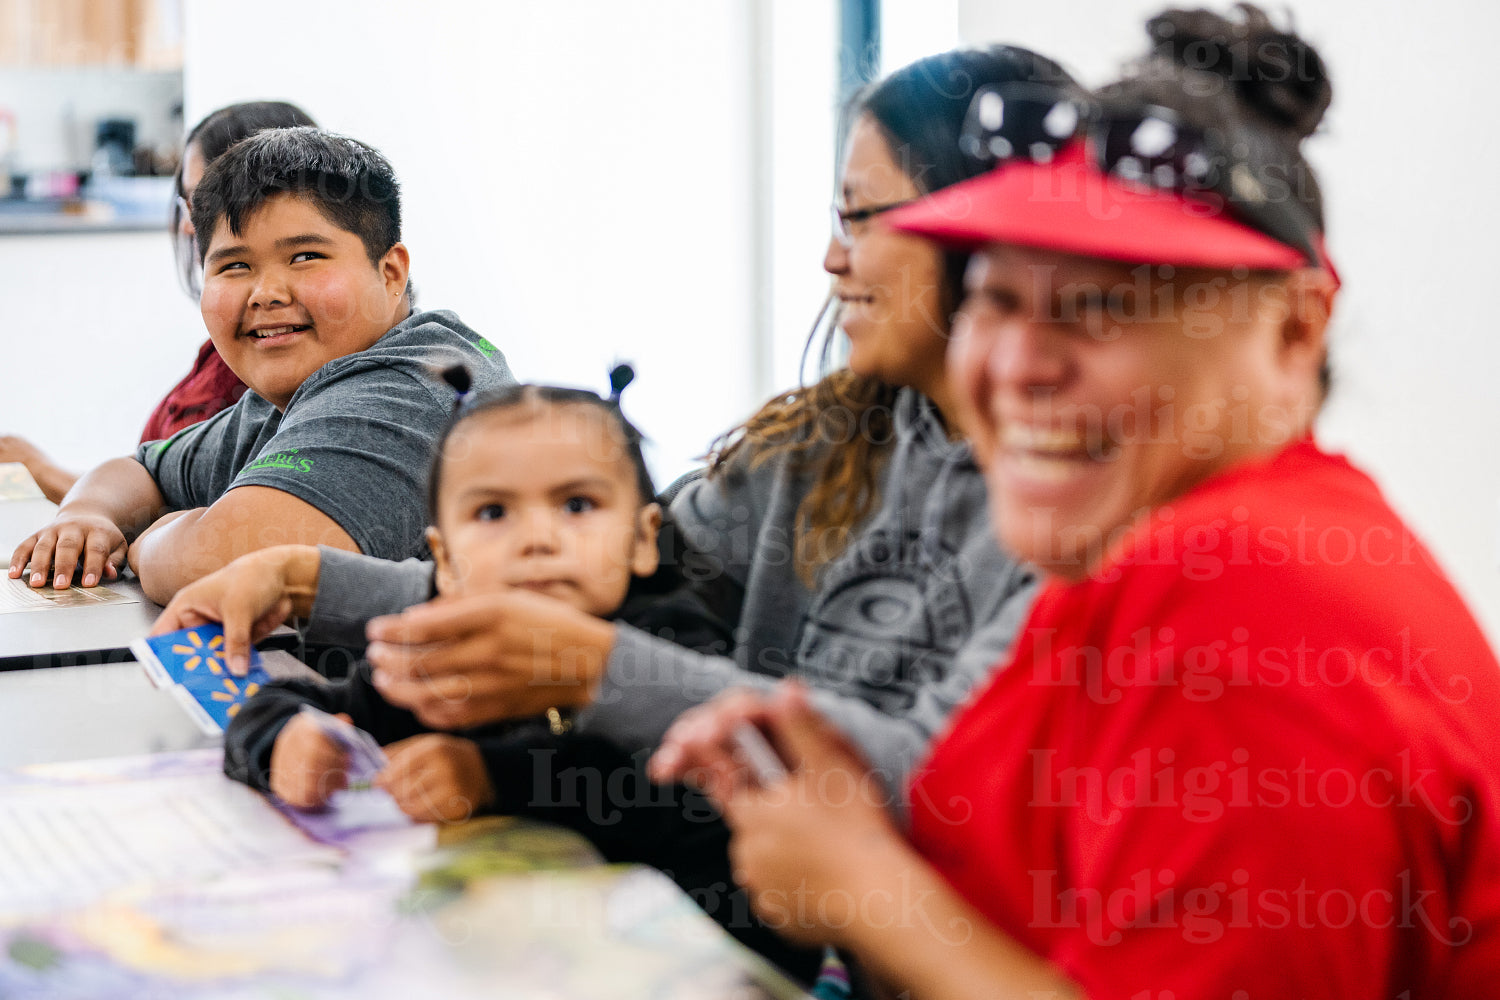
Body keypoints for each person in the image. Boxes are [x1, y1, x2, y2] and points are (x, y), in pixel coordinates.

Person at [152, 45, 1059, 985]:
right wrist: (307, 581)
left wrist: (577, 673)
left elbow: (932, 779)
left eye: (861, 220)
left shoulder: (1067, 511)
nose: (833, 257)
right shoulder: (823, 445)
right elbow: (593, 581)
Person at [651, 7, 1500, 998]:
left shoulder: (1242, 596)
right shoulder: (1141, 550)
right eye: (998, 300)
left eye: (1104, 307)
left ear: (1294, 333)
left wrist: (862, 888)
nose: (1019, 367)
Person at [8, 126, 514, 604]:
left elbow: (229, 565)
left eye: (305, 257)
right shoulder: (294, 390)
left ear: (390, 273)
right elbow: (143, 470)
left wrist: (151, 540)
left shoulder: (410, 389)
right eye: (234, 266)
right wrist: (85, 515)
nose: (266, 294)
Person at [222, 374, 733, 822]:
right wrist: (286, 740)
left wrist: (492, 777)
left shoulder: (673, 645)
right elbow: (278, 707)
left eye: (577, 505)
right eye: (492, 513)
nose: (538, 538)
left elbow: (685, 798)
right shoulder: (439, 652)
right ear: (444, 560)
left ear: (643, 539)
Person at [0, 101, 316, 504]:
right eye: (191, 205)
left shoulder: (270, 362)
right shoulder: (229, 351)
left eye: (204, 202)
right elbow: (163, 483)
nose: (190, 224)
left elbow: (209, 514)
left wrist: (47, 475)